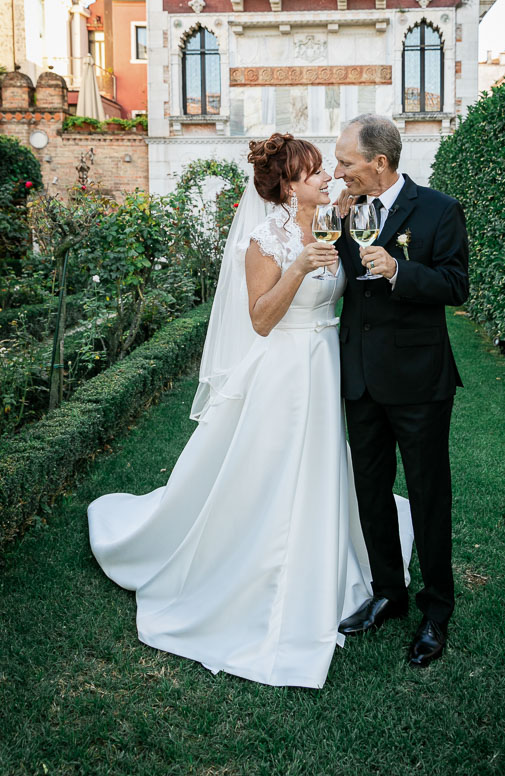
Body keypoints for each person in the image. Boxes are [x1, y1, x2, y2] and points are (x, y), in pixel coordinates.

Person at [87, 133, 412, 689]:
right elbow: (261, 320)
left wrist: (339, 221)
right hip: (285, 372)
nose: (326, 178)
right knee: (275, 472)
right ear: (289, 185)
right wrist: (298, 267)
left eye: (325, 171)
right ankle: (260, 568)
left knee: (322, 466)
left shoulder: (330, 221)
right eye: (314, 173)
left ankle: (327, 561)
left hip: (326, 364)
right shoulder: (264, 242)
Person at [334, 115, 469, 667]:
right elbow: (346, 278)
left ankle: (435, 610)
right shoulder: (348, 208)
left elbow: (456, 286)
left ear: (379, 164)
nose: (338, 171)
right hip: (361, 378)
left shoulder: (440, 210)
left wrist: (399, 270)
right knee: (371, 491)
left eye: (346, 162)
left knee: (428, 495)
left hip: (418, 383)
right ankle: (388, 590)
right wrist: (337, 232)